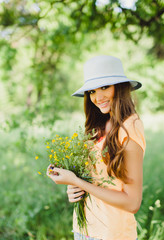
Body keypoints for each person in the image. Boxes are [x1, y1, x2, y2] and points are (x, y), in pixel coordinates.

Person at [47, 55, 146, 240]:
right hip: (83, 229)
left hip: (111, 233)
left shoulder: (130, 128)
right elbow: (96, 180)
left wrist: (78, 182)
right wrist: (73, 186)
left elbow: (133, 202)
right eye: (92, 91)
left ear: (120, 87)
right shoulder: (99, 126)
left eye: (104, 87)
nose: (97, 97)